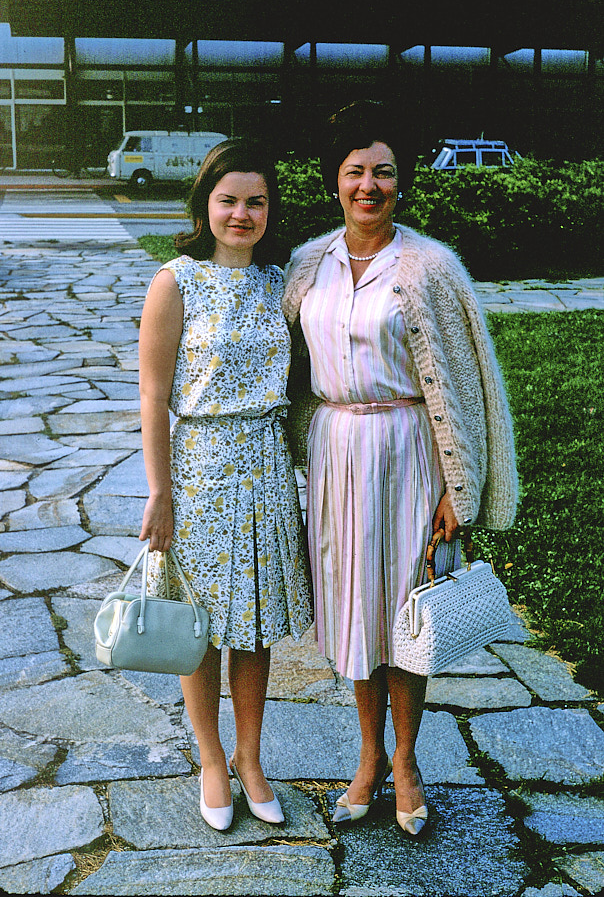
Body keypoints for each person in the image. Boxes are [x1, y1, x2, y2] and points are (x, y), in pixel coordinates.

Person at [282, 101, 517, 836]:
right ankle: (367, 757)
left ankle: (409, 761)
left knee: (407, 614)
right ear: (334, 182)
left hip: (411, 452)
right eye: (355, 171)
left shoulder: (430, 267)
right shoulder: (306, 265)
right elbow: (283, 366)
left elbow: (466, 382)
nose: (369, 185)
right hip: (337, 454)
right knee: (355, 612)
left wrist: (460, 482)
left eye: (383, 171)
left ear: (401, 183)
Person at [138, 138, 312, 832]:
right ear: (205, 204)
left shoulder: (283, 282)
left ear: (270, 209)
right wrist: (159, 490)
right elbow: (153, 393)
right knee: (199, 624)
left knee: (256, 623)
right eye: (229, 200)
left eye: (256, 201)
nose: (242, 213)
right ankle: (211, 757)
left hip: (266, 463)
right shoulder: (175, 281)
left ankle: (250, 757)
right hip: (200, 465)